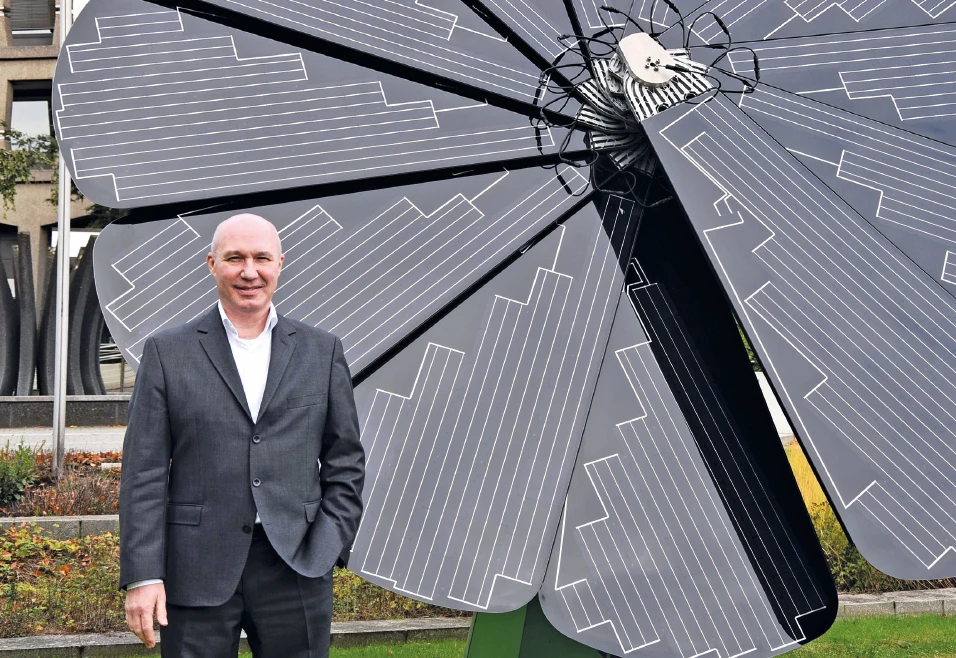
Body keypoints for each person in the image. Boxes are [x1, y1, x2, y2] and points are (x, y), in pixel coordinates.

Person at [119, 213, 365, 657]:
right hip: (195, 566)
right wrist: (143, 575)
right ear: (212, 264)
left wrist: (328, 545)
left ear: (280, 264)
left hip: (296, 563)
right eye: (235, 258)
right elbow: (143, 473)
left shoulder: (321, 350)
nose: (249, 271)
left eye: (261, 258)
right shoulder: (167, 352)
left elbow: (345, 459)